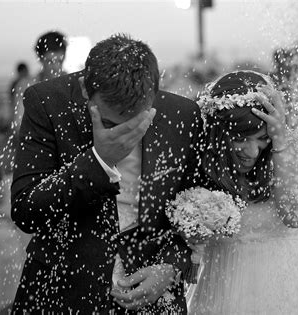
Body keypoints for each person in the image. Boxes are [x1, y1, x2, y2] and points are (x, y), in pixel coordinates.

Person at [11, 33, 202, 314]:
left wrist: (171, 266)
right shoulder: (47, 101)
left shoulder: (182, 114)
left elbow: (194, 207)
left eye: (137, 122)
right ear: (85, 90)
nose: (126, 134)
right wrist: (98, 160)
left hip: (154, 294)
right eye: (111, 122)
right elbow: (26, 210)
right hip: (63, 289)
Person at [187, 70, 298, 314]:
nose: (252, 152)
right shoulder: (201, 162)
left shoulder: (288, 150)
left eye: (262, 138)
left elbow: (295, 215)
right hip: (218, 298)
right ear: (219, 133)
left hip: (286, 299)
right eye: (241, 138)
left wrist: (280, 143)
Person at [12, 31, 67, 134]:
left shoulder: (74, 85)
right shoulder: (26, 87)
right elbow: (18, 125)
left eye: (59, 61)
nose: (56, 68)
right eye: (50, 62)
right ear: (40, 59)